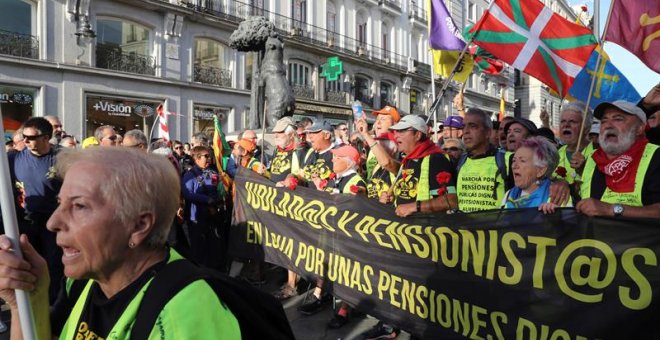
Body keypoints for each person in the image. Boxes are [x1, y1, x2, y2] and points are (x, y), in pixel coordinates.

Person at [0, 147, 240, 339]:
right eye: (60, 203)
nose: (53, 222)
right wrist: (28, 300)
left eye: (79, 206)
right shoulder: (83, 282)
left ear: (138, 225)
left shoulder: (186, 316)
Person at [8, 117, 64, 303]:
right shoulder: (13, 158)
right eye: (24, 137)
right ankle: (28, 305)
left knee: (53, 266)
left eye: (31, 138)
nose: (25, 141)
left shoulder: (62, 158)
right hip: (25, 223)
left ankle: (53, 306)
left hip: (53, 224)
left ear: (46, 138)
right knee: (26, 266)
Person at [577, 100, 660, 218]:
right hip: (592, 236)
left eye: (618, 119)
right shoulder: (592, 158)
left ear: (639, 129)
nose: (608, 125)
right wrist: (563, 185)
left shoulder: (655, 156)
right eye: (604, 121)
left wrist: (612, 209)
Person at [380, 115, 457, 217]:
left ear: (418, 135)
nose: (396, 136)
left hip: (427, 228)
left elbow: (451, 201)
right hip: (405, 228)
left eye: (402, 131)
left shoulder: (436, 159)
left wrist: (413, 207)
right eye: (396, 131)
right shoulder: (408, 159)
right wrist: (391, 197)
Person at [181, 146, 224, 268]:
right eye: (206, 156)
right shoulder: (189, 175)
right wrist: (207, 200)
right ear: (197, 158)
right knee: (199, 248)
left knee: (213, 246)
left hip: (212, 216)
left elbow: (215, 189)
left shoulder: (212, 172)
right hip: (196, 218)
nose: (209, 158)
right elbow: (188, 195)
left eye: (209, 155)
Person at [502, 136, 567, 213]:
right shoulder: (509, 195)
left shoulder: (557, 194)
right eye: (514, 160)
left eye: (522, 161)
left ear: (540, 170)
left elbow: (570, 222)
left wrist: (556, 216)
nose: (514, 166)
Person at [555, 102, 596, 186]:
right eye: (563, 121)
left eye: (572, 121)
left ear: (586, 128)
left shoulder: (598, 153)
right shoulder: (556, 154)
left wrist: (583, 170)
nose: (566, 125)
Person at [359, 105, 401, 179]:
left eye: (383, 119)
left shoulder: (392, 141)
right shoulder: (374, 141)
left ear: (394, 124)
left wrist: (366, 134)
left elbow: (387, 163)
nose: (378, 122)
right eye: (377, 119)